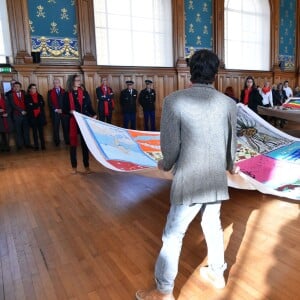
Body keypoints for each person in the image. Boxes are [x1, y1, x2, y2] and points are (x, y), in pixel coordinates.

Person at [135, 50, 239, 300]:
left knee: (173, 234)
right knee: (213, 226)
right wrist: (230, 165)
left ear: (190, 70)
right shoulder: (228, 103)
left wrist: (165, 163)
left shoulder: (174, 100)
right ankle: (217, 273)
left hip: (189, 179)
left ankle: (163, 292)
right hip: (215, 177)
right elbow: (231, 146)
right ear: (216, 73)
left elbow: (170, 149)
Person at [62, 74, 97, 174]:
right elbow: (64, 109)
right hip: (72, 121)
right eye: (77, 80)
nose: (79, 82)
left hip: (83, 121)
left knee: (85, 144)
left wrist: (94, 114)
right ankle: (74, 167)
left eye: (79, 80)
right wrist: (70, 111)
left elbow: (89, 106)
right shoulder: (66, 94)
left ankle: (87, 167)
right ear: (71, 82)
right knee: (73, 145)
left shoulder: (84, 92)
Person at [8, 81, 32, 150]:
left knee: (26, 130)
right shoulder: (10, 95)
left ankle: (27, 144)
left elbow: (27, 103)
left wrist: (26, 111)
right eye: (14, 86)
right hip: (17, 115)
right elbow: (13, 105)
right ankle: (19, 145)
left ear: (20, 87)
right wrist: (21, 111)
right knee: (18, 131)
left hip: (25, 115)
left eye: (17, 86)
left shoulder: (24, 94)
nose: (16, 88)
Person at [47, 78, 69, 146]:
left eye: (57, 83)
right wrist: (56, 109)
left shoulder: (64, 91)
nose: (56, 84)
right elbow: (49, 103)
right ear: (53, 84)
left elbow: (67, 102)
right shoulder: (50, 92)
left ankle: (67, 141)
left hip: (63, 112)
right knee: (55, 128)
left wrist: (62, 109)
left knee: (65, 127)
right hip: (55, 113)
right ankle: (57, 142)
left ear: (59, 83)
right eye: (54, 83)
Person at [25, 83, 47, 151]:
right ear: (29, 89)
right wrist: (36, 105)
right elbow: (28, 106)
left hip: (40, 116)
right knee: (34, 132)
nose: (34, 89)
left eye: (35, 88)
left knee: (41, 132)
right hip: (32, 117)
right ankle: (36, 146)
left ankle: (43, 145)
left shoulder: (40, 96)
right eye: (33, 88)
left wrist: (34, 105)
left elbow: (42, 104)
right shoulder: (27, 97)